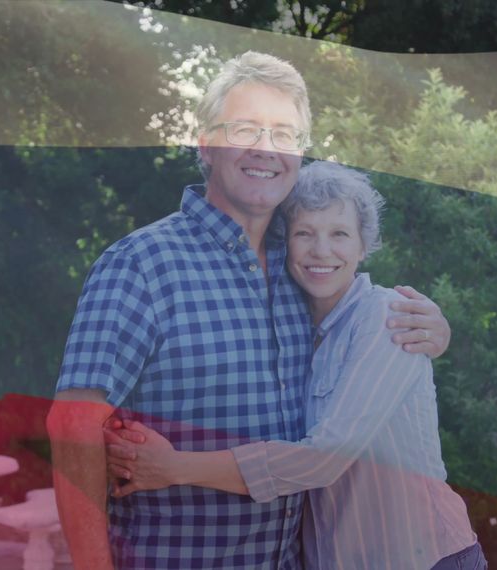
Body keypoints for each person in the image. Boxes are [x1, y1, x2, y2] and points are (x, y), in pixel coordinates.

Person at [46, 52, 452, 570]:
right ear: (205, 144)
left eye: (284, 134)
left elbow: (360, 337)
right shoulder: (141, 265)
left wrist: (434, 331)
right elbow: (74, 424)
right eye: (245, 129)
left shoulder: (301, 266)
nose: (266, 149)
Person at [105, 161, 486, 570]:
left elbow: (326, 457)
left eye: (339, 234)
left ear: (363, 246)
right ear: (284, 244)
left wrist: (175, 468)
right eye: (305, 233)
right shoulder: (291, 325)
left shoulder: (387, 316)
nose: (321, 250)